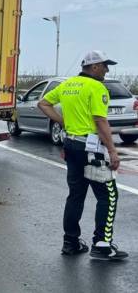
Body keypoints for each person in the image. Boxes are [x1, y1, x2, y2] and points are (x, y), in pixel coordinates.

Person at [38, 50, 128, 260]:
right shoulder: (97, 87)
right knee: (108, 195)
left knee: (75, 196)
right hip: (92, 149)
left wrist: (63, 123)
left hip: (71, 145)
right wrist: (113, 151)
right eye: (105, 65)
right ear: (94, 67)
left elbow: (43, 103)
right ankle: (102, 245)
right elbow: (100, 120)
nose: (107, 70)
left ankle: (70, 242)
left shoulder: (68, 85)